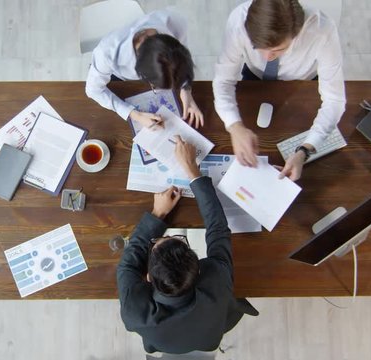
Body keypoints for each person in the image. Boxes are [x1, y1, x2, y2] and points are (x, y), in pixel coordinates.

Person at [116, 136, 258, 354]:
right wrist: (192, 170)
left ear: (148, 277)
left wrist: (159, 213)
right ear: (199, 268)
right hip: (208, 333)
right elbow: (218, 228)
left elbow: (128, 262)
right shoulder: (216, 283)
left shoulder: (134, 312)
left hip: (163, 340)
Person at [213, 0, 346, 181]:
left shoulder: (322, 31)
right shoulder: (239, 21)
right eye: (258, 47)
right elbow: (223, 80)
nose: (266, 57)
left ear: (297, 33)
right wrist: (235, 126)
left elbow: (335, 100)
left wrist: (305, 150)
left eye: (278, 50)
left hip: (302, 81)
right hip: (255, 77)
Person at [85, 10, 204, 130]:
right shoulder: (106, 53)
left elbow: (181, 58)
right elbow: (93, 90)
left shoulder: (174, 22)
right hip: (117, 77)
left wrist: (186, 90)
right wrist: (135, 114)